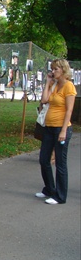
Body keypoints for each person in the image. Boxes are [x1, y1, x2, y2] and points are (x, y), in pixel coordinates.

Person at [36, 59, 76, 204]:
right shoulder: (54, 85)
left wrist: (64, 130)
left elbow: (69, 110)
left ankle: (60, 196)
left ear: (63, 70)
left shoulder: (68, 86)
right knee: (44, 159)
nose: (53, 72)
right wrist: (48, 83)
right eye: (52, 69)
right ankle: (49, 189)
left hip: (61, 128)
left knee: (60, 162)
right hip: (49, 126)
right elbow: (44, 100)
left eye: (56, 69)